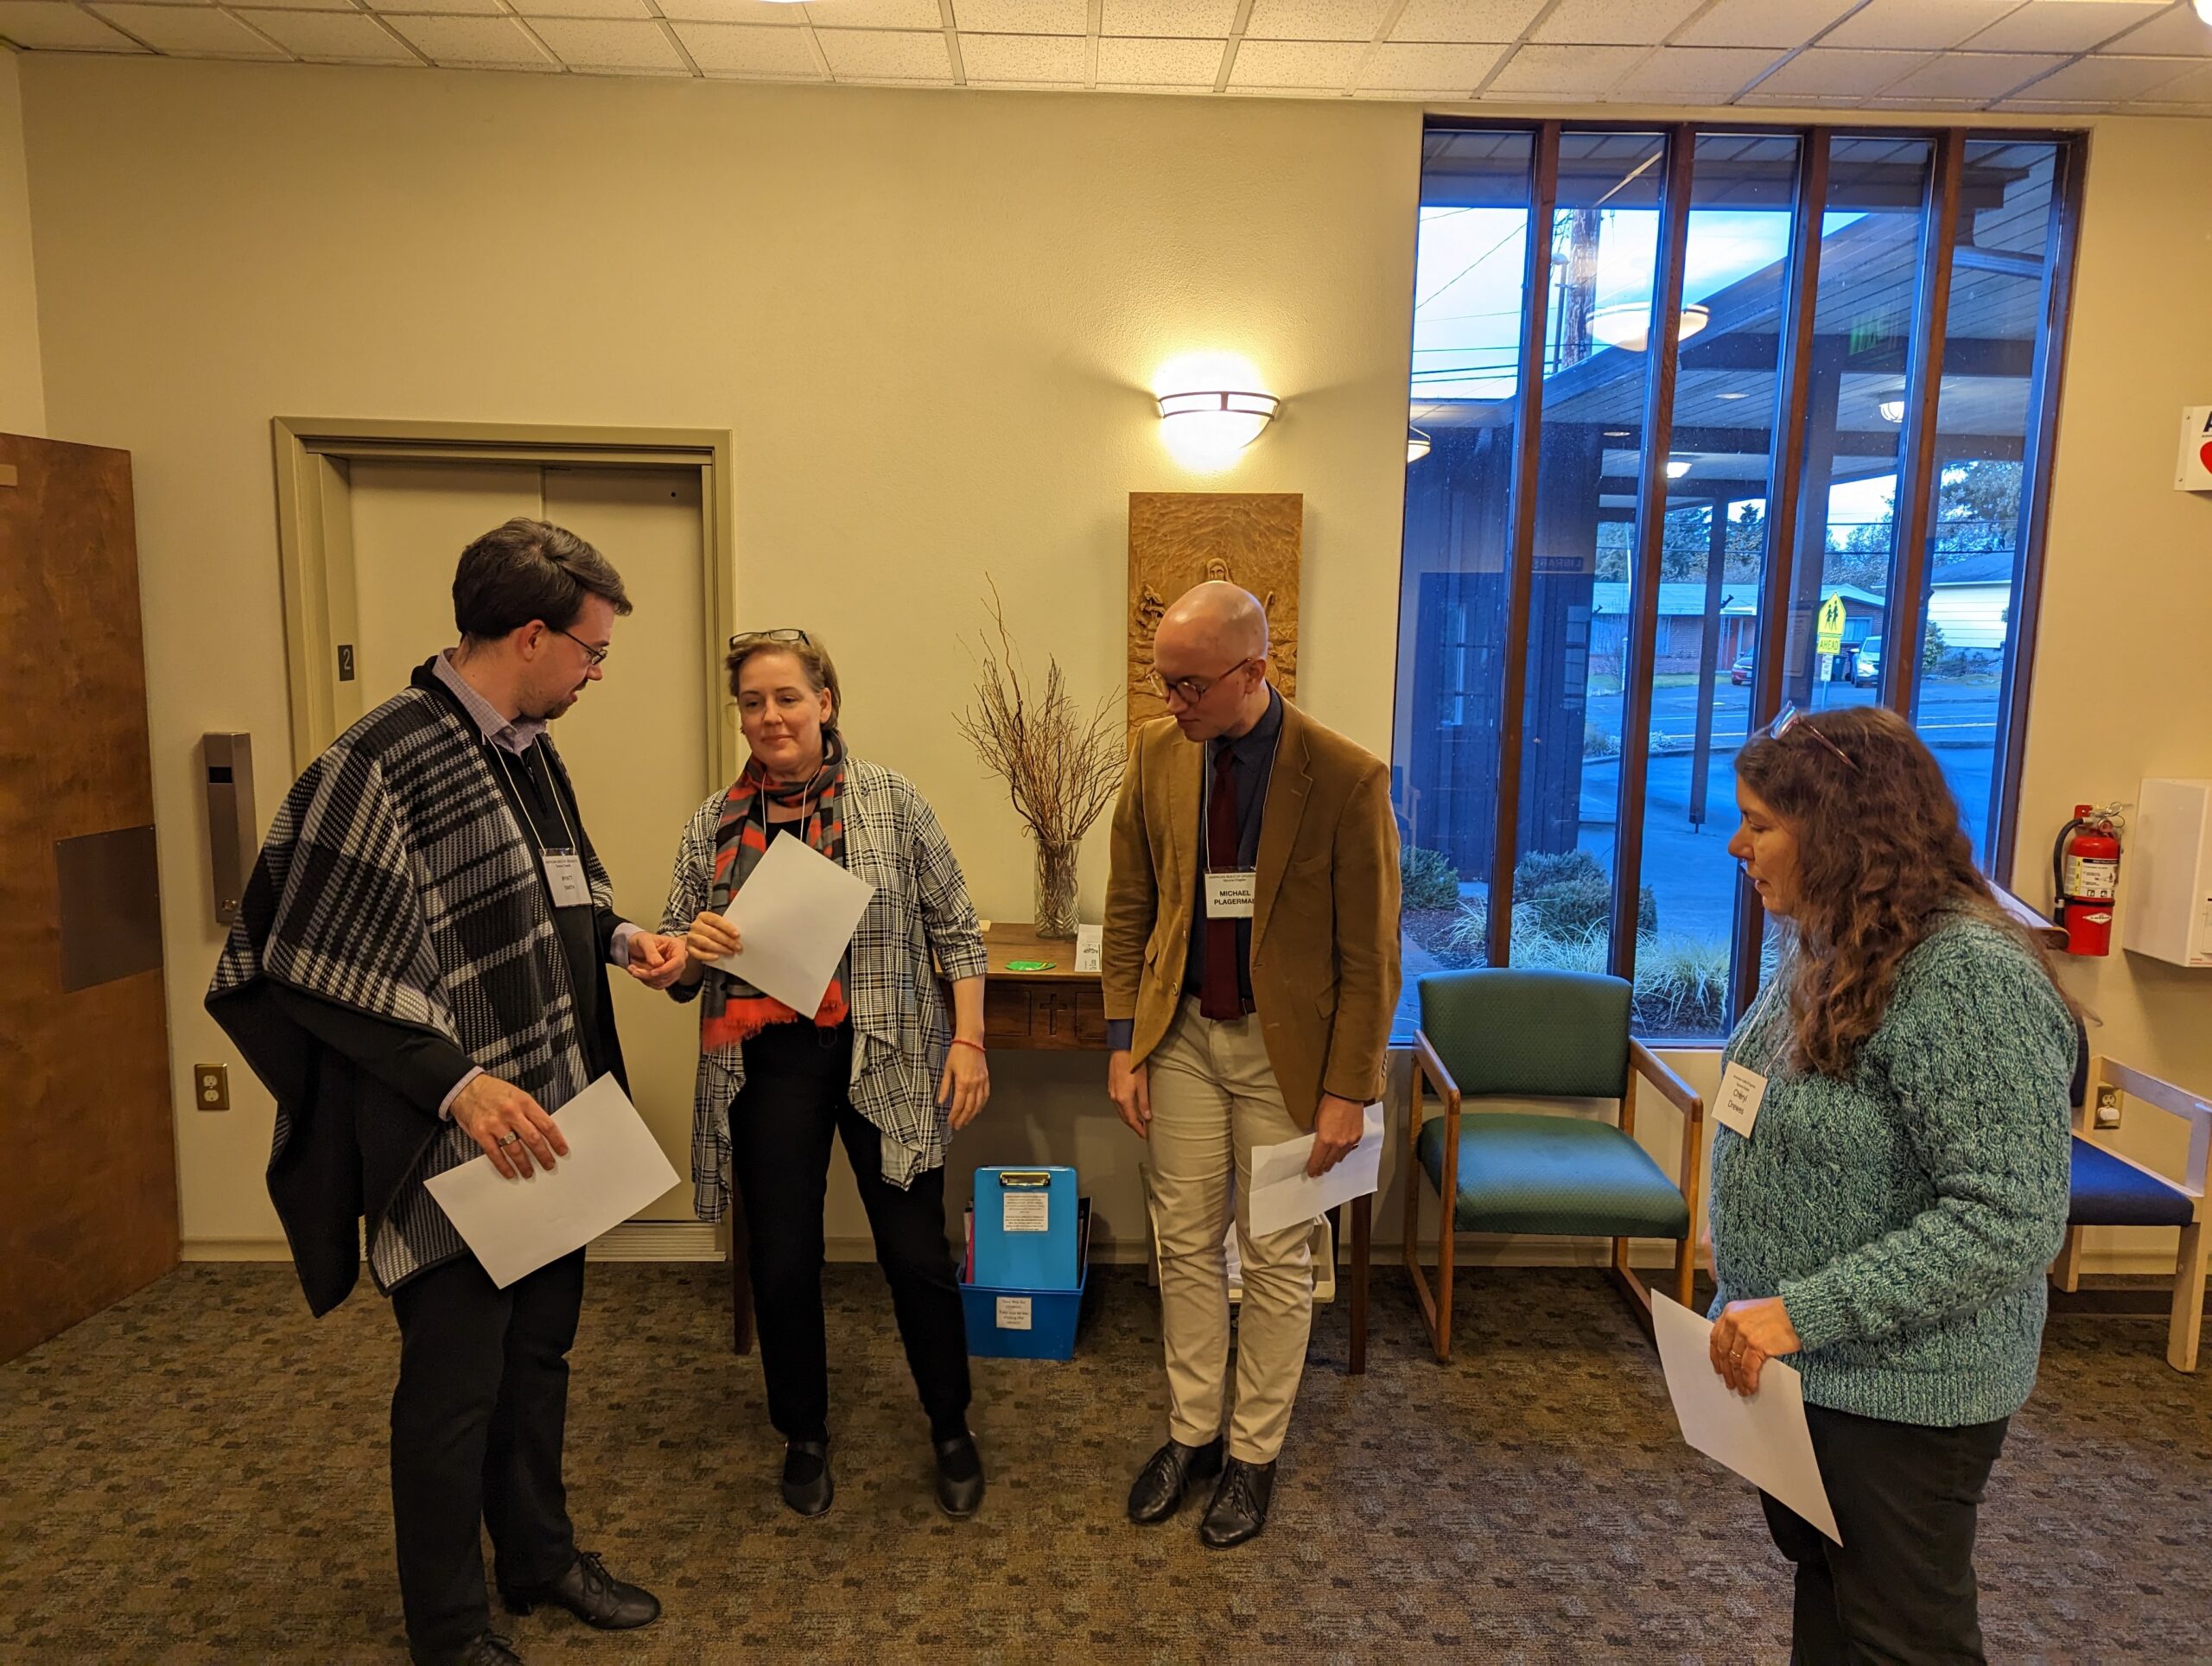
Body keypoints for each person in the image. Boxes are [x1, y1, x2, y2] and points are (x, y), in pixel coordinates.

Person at [208, 518, 686, 1666]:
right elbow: (306, 961)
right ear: (530, 636)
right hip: (454, 1136)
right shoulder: (375, 763)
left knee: (538, 1357)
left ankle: (537, 1556)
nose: (597, 673)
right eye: (592, 651)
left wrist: (622, 938)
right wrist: (459, 1086)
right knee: (453, 1390)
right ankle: (448, 1629)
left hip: (550, 1111)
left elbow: (554, 890)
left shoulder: (526, 749)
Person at [1708, 703, 2074, 1663]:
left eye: (1759, 823)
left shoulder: (1966, 975)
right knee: (1834, 1609)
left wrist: (1803, 1309)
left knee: (1904, 1638)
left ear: (1839, 832)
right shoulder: (1832, 939)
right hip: (1813, 1368)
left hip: (1904, 1391)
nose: (1738, 845)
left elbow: (2009, 1216)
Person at [659, 628, 992, 1520]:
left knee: (915, 1253)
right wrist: (687, 948)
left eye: (787, 697)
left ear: (824, 702)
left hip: (883, 1054)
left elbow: (957, 930)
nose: (770, 716)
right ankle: (802, 1431)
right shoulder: (712, 822)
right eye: (753, 702)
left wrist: (968, 1042)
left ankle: (950, 1424)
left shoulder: (892, 801)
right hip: (767, 1065)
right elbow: (674, 964)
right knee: (782, 1258)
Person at [1102, 581, 1401, 1549]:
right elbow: (1131, 903)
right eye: (1162, 680)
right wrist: (1123, 1041)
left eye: (1189, 685)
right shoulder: (1155, 753)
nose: (1171, 701)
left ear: (1253, 672)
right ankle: (1192, 1431)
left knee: (1276, 1254)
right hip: (1182, 1037)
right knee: (1185, 1241)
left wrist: (1349, 1089)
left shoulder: (1345, 777)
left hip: (1290, 1057)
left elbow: (1372, 954)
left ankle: (1253, 1451)